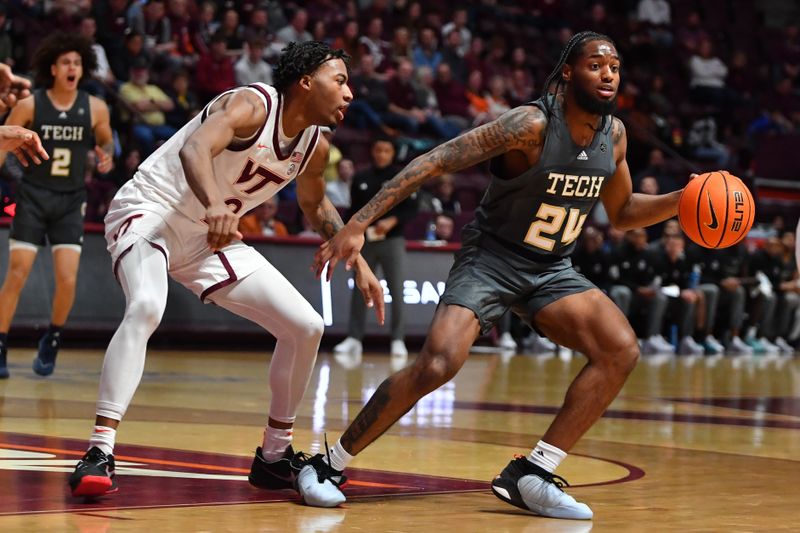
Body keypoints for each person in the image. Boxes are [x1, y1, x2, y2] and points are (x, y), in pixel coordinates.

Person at [304, 31, 693, 519]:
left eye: (615, 66)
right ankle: (327, 464)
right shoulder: (528, 125)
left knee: (620, 349)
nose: (608, 74)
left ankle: (532, 473)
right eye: (596, 65)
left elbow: (624, 211)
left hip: (552, 269)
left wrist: (683, 201)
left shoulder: (613, 136)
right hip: (491, 259)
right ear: (568, 72)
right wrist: (358, 223)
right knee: (438, 364)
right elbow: (432, 162)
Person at [67, 41, 385, 498]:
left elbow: (314, 204)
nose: (350, 93)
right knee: (147, 306)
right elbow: (195, 147)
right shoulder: (253, 104)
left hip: (206, 235)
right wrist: (216, 205)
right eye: (340, 81)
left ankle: (274, 457)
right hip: (151, 211)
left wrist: (359, 262)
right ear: (306, 82)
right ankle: (99, 451)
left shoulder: (315, 145)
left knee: (306, 326)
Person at [0, 33, 113, 379]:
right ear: (53, 68)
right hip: (34, 195)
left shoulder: (95, 107)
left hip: (70, 200)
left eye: (77, 63)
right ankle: (1, 344)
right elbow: (4, 141)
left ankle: (52, 338)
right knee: (17, 272)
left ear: (83, 69)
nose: (72, 67)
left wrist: (105, 154)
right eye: (65, 62)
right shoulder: (31, 104)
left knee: (67, 278)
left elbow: (107, 140)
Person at [333, 138, 418, 358]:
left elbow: (412, 208)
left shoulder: (401, 177)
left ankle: (398, 339)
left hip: (393, 241)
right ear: (372, 151)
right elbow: (353, 210)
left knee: (397, 289)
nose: (382, 154)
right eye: (378, 149)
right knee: (360, 288)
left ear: (392, 153)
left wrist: (393, 221)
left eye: (386, 150)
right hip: (366, 242)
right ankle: (354, 338)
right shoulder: (361, 177)